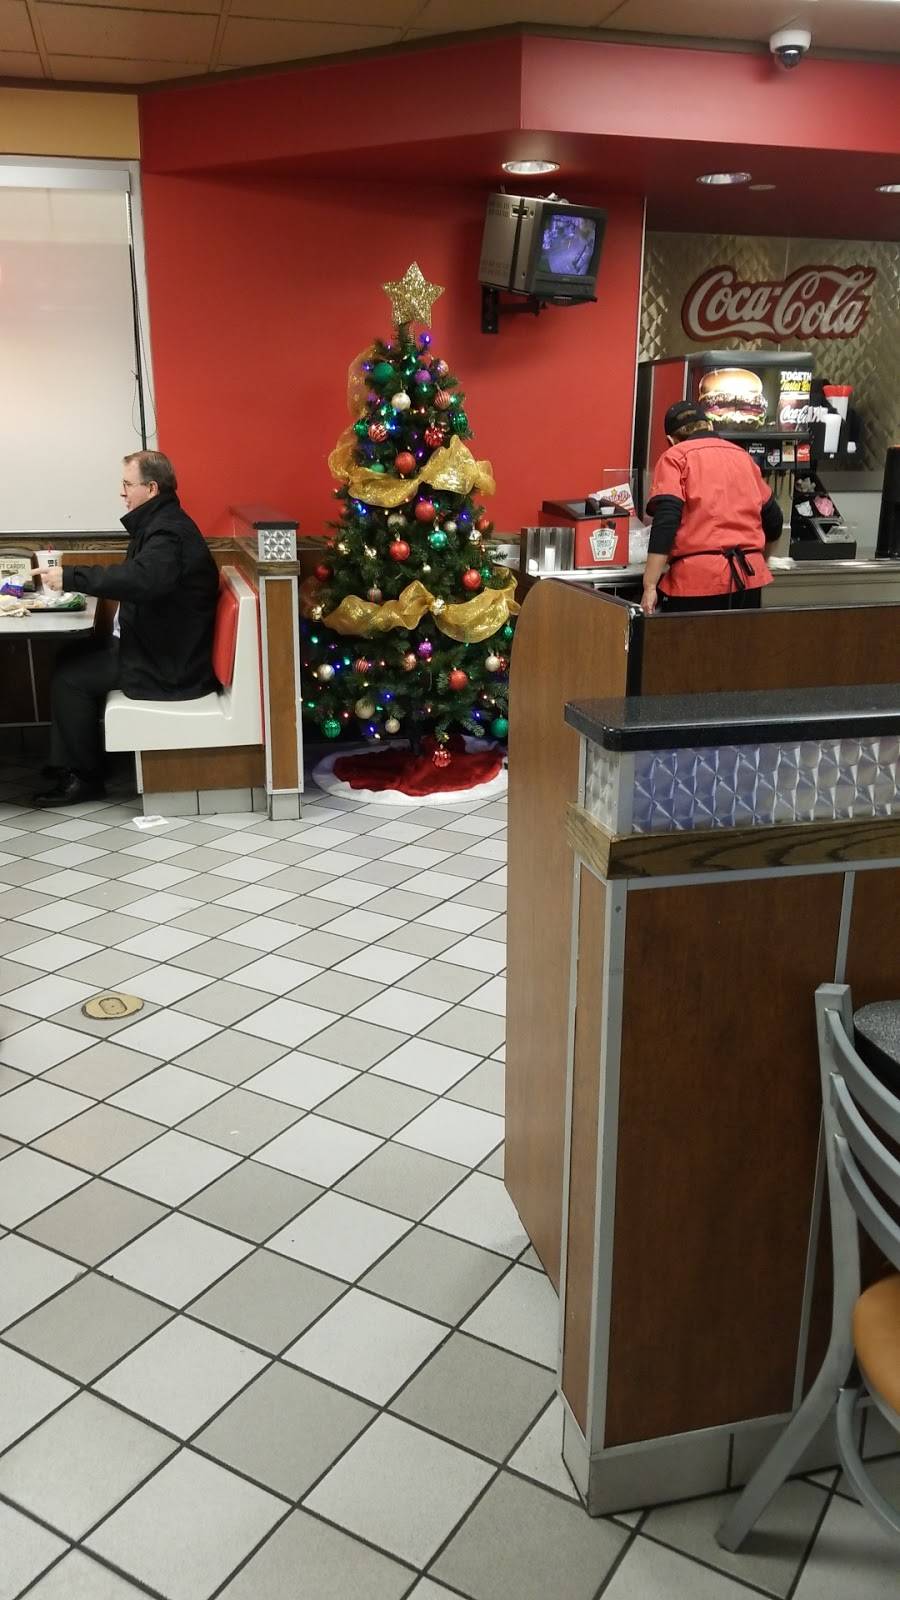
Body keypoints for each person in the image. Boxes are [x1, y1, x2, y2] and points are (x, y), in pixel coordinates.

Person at [34, 450, 219, 807]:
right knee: (68, 655)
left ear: (151, 488)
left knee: (70, 678)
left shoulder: (168, 532)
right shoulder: (161, 523)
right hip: (159, 647)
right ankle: (78, 761)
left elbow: (143, 580)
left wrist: (71, 576)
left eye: (127, 484)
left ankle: (85, 778)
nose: (122, 492)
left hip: (169, 665)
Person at [641, 401, 783, 617]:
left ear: (671, 440)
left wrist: (650, 585)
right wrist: (760, 560)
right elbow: (774, 520)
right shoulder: (743, 457)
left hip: (696, 582)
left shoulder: (675, 457)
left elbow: (667, 519)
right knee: (740, 640)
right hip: (748, 579)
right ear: (709, 425)